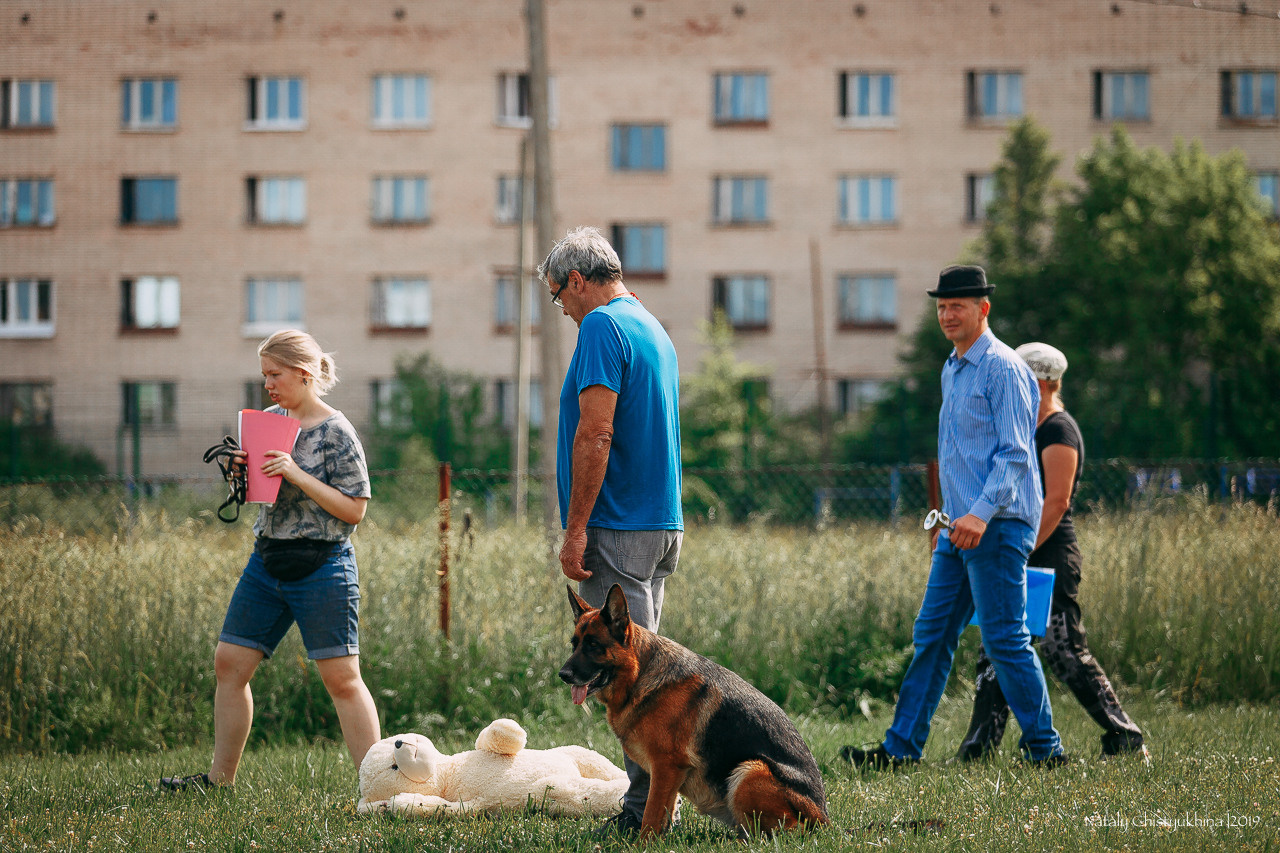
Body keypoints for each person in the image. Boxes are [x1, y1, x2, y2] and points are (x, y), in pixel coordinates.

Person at [841, 265, 1067, 769]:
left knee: (1005, 639)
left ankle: (1046, 751)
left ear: (983, 309)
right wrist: (954, 519)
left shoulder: (1005, 368)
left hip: (999, 523)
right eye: (941, 306)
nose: (947, 314)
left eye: (957, 306)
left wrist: (981, 516)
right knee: (933, 635)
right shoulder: (953, 366)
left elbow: (1014, 456)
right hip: (957, 528)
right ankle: (900, 750)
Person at [161, 329, 380, 790]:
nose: (268, 385)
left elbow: (355, 509)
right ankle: (220, 782)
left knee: (342, 679)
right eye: (264, 375)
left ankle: (375, 787)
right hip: (267, 562)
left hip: (324, 564)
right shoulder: (266, 422)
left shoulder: (337, 432)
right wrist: (239, 476)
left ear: (303, 375)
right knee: (229, 663)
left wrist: (297, 474)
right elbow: (260, 496)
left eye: (274, 375)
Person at [539, 226, 683, 836]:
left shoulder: (601, 326)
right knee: (645, 665)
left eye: (557, 297)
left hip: (619, 523)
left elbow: (596, 432)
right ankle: (655, 803)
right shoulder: (652, 325)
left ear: (576, 281)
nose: (563, 312)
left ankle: (642, 815)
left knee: (632, 674)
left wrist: (575, 531)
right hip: (658, 520)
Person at [955, 342, 1147, 761]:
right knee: (996, 646)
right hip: (1016, 549)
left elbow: (1056, 502)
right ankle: (979, 747)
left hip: (1049, 553)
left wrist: (1020, 550)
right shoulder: (1021, 428)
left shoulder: (1058, 429)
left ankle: (1125, 736)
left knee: (1063, 648)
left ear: (1042, 384)